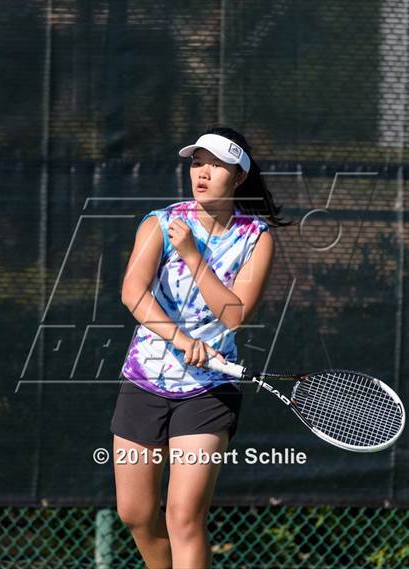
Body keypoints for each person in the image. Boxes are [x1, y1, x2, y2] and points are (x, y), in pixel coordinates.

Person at [111, 127, 290, 569]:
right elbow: (132, 293)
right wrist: (182, 339)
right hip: (144, 383)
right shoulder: (159, 222)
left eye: (216, 164)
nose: (203, 172)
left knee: (184, 516)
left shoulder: (257, 237)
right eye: (196, 162)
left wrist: (192, 254)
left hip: (208, 392)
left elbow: (234, 314)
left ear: (239, 175)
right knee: (134, 513)